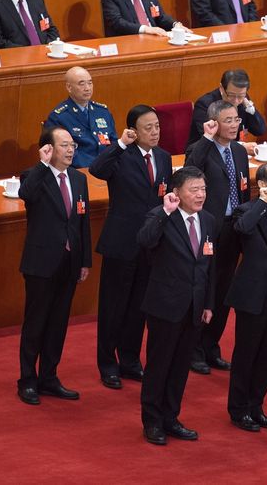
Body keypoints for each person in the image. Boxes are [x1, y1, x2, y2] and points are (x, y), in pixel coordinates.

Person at [89, 104, 172, 389]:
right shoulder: (121, 156)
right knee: (114, 307)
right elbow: (97, 169)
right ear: (133, 131)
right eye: (148, 127)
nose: (154, 132)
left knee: (139, 307)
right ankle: (107, 363)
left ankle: (130, 359)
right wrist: (120, 144)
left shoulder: (163, 158)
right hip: (121, 243)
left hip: (150, 245)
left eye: (157, 126)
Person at [138, 166, 216, 445]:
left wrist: (208, 303)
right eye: (194, 189)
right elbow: (145, 240)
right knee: (159, 365)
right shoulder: (162, 216)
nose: (200, 195)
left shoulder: (207, 220)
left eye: (203, 189)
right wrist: (165, 212)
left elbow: (210, 266)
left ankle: (171, 417)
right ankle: (152, 421)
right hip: (165, 305)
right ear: (177, 193)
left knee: (181, 366)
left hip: (194, 307)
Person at [16, 126, 92, 406]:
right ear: (48, 148)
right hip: (41, 263)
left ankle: (49, 377)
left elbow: (82, 222)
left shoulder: (78, 179)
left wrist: (85, 260)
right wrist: (42, 164)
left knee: (58, 323)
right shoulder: (34, 176)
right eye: (64, 145)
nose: (71, 150)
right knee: (35, 323)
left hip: (69, 264)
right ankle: (27, 379)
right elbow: (26, 194)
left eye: (72, 145)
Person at [184, 101, 252, 374]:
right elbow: (190, 170)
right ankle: (194, 349)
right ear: (213, 123)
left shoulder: (239, 151)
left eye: (236, 119)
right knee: (204, 289)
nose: (234, 125)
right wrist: (206, 138)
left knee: (224, 291)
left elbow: (244, 189)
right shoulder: (202, 148)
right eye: (228, 120)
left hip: (233, 228)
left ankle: (212, 346)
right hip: (209, 228)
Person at [226, 162, 267, 431]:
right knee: (246, 353)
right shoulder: (246, 210)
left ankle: (257, 405)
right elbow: (241, 229)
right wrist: (262, 204)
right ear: (263, 185)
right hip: (251, 293)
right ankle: (238, 409)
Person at [44, 66, 117, 168]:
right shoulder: (59, 117)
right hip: (81, 170)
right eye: (81, 84)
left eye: (90, 83)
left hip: (107, 168)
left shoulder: (102, 111)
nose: (87, 88)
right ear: (69, 87)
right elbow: (60, 152)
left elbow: (113, 142)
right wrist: (96, 166)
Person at [188, 69, 266, 147]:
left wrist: (249, 107)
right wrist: (241, 148)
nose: (236, 101)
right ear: (221, 88)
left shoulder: (242, 102)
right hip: (204, 154)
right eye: (231, 95)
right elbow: (211, 138)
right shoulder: (205, 104)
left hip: (233, 153)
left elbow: (259, 131)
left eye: (241, 96)